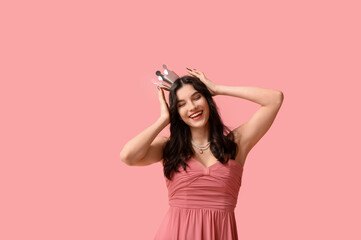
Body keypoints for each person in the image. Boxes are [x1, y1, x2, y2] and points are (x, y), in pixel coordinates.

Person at [120, 68, 284, 240]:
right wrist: (163, 120)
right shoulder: (168, 147)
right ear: (176, 112)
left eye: (197, 97)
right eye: (181, 104)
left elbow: (274, 99)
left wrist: (218, 89)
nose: (192, 107)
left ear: (207, 99)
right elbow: (128, 156)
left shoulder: (236, 144)